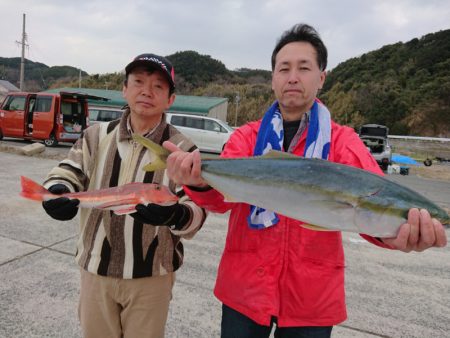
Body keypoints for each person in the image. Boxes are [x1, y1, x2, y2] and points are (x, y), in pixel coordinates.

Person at [162, 24, 448, 338]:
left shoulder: (344, 143)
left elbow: (369, 205)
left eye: (304, 68)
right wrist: (198, 181)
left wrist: (395, 234)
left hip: (311, 298)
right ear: (273, 78)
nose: (293, 77)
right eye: (284, 68)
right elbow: (220, 200)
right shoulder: (247, 136)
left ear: (321, 77)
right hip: (244, 288)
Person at [41, 53, 206, 338]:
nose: (146, 91)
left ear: (170, 99)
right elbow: (69, 168)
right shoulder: (96, 135)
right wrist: (58, 189)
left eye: (158, 86)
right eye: (138, 82)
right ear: (124, 89)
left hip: (153, 277)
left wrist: (177, 214)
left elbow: (198, 207)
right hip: (96, 270)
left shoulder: (183, 148)